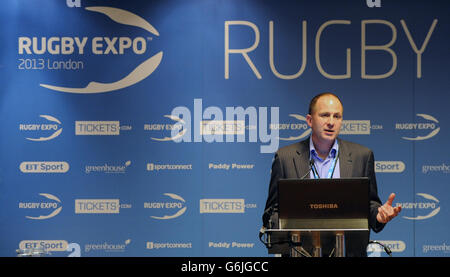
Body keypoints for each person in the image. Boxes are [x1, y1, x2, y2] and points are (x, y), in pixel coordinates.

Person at [262, 92, 401, 257]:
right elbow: (271, 212)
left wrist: (379, 215)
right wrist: (290, 224)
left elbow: (369, 205)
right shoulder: (285, 157)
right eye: (324, 115)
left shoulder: (361, 156)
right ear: (309, 120)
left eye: (337, 116)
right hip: (300, 252)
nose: (331, 122)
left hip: (348, 251)